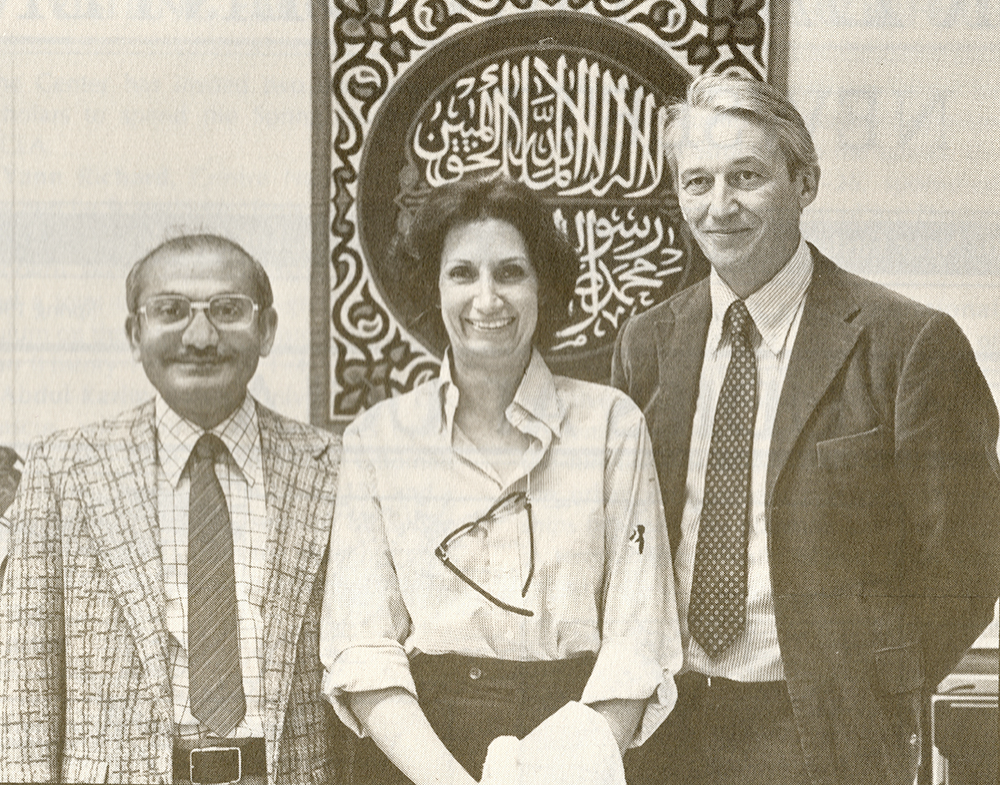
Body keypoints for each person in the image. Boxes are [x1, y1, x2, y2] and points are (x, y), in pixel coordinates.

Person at [612, 73, 1000, 785]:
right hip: (663, 732)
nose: (719, 205)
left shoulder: (907, 345)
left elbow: (970, 560)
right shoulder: (648, 343)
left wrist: (877, 683)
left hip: (820, 737)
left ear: (806, 182)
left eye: (747, 176)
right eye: (696, 181)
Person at [320, 177, 683, 785]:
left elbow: (637, 639)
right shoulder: (378, 439)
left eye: (511, 272)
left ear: (545, 286)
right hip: (418, 756)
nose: (487, 298)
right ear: (433, 289)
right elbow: (363, 650)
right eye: (462, 273)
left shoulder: (612, 426)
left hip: (578, 752)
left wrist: (564, 769)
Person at [0, 234, 349, 785]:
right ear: (135, 335)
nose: (201, 336)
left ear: (267, 330)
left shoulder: (333, 467)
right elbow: (23, 685)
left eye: (228, 310)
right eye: (171, 311)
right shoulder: (66, 468)